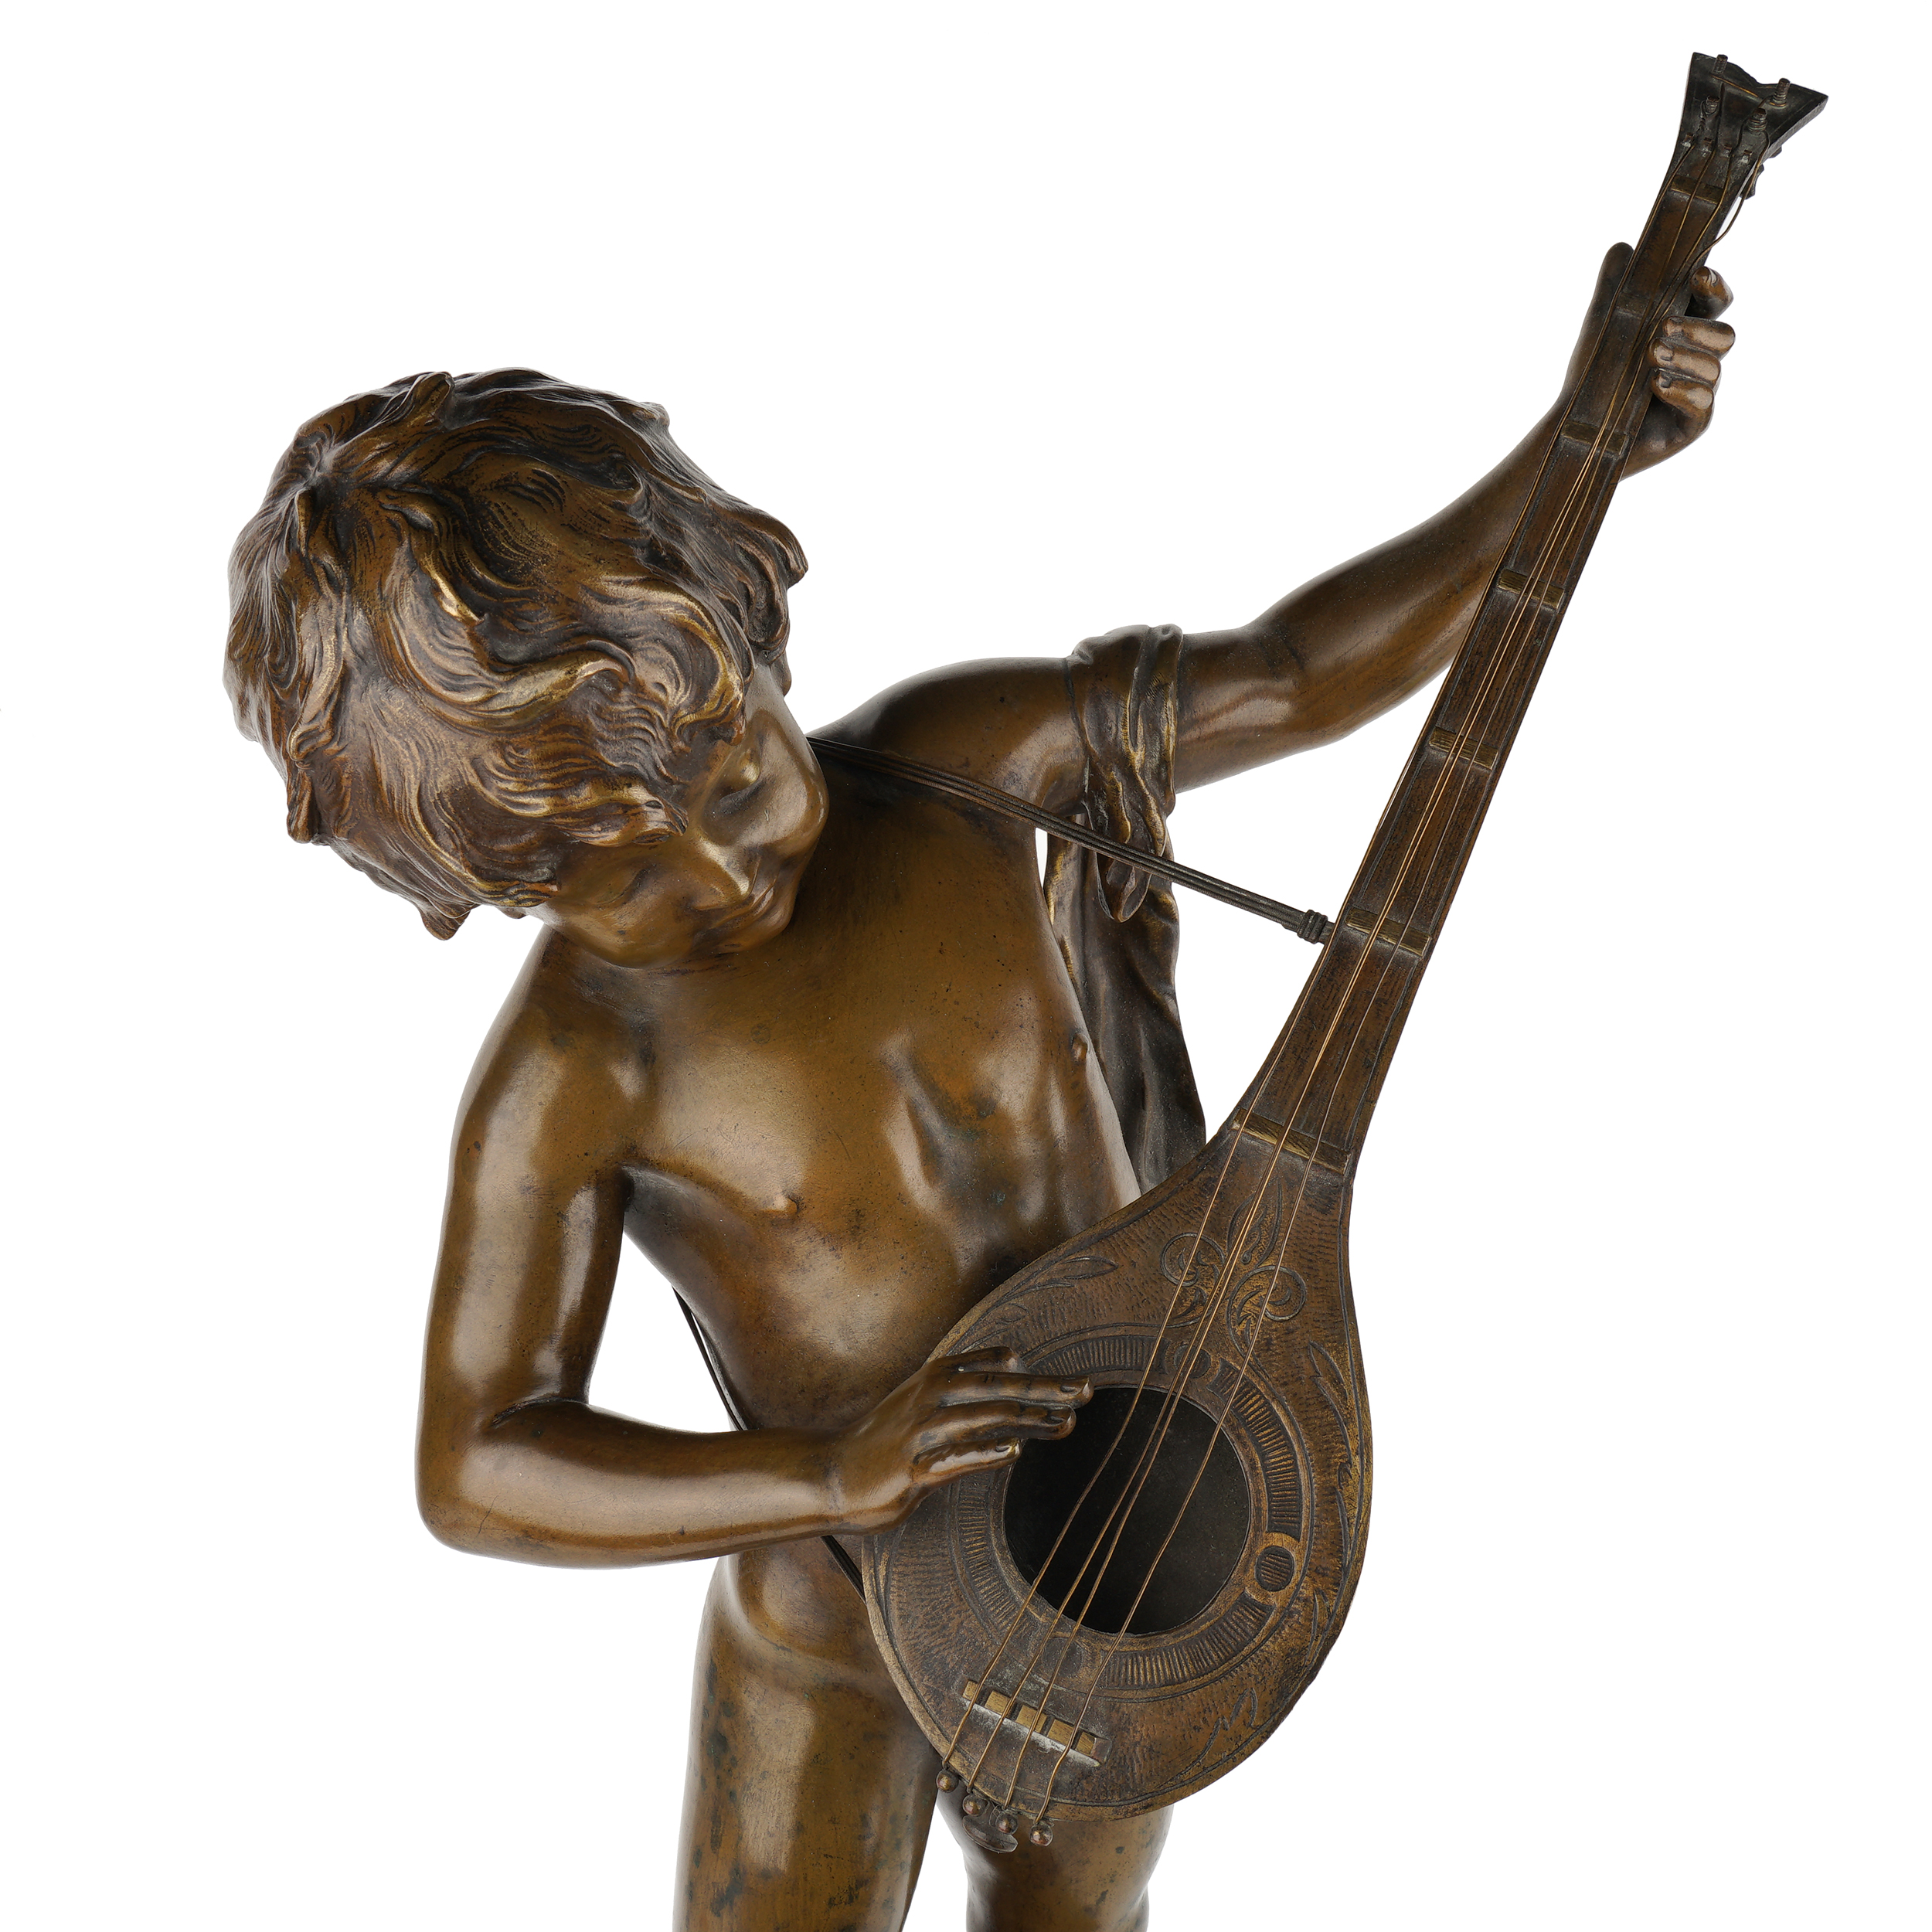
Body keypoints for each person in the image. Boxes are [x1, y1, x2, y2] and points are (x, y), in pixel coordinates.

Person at [226, 247, 1734, 1932]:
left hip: (1121, 1568)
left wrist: (1569, 453)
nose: (721, 877)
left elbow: (1296, 672)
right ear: (489, 886)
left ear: (756, 641)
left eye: (736, 781)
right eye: (618, 877)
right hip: (830, 1618)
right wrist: (831, 1475)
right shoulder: (574, 1071)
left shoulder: (963, 767)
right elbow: (478, 1462)